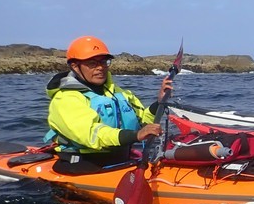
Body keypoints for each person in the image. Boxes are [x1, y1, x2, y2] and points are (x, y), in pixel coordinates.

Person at [45, 36, 173, 174]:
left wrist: (159, 103)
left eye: (104, 62)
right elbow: (92, 134)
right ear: (75, 66)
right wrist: (136, 135)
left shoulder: (117, 92)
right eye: (93, 63)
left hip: (121, 161)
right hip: (83, 166)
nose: (101, 68)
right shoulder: (65, 99)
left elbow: (142, 120)